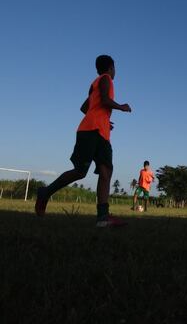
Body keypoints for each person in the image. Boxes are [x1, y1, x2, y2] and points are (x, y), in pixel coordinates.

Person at [35, 55, 132, 227]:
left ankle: (103, 217)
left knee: (104, 170)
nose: (115, 72)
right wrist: (121, 107)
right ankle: (45, 192)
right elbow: (104, 100)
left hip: (96, 131)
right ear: (110, 68)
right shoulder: (106, 79)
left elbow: (85, 107)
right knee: (89, 171)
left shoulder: (94, 84)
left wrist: (104, 120)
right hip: (93, 132)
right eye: (114, 68)